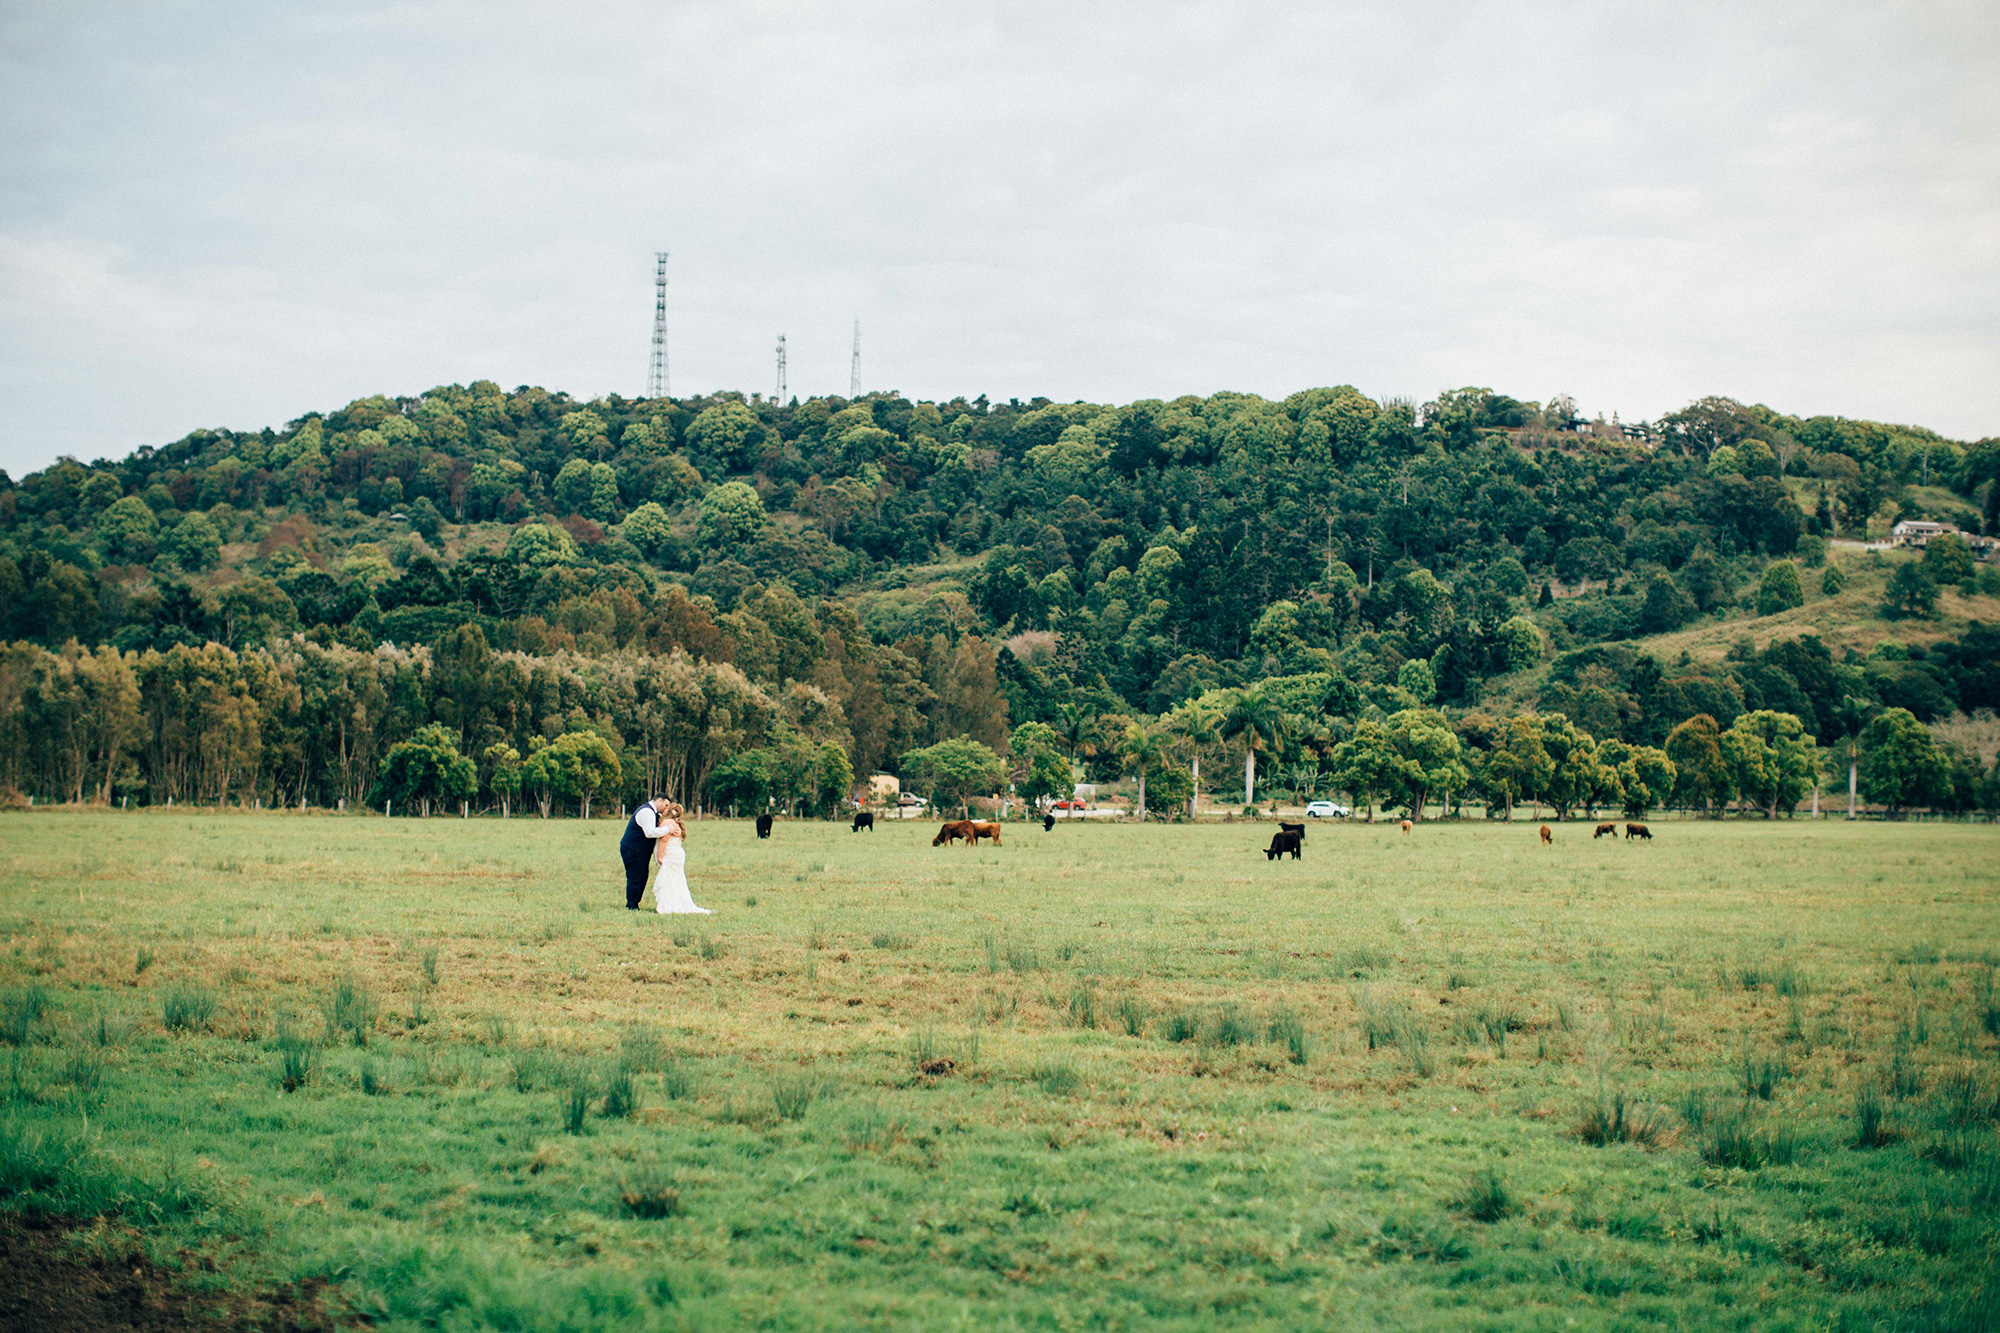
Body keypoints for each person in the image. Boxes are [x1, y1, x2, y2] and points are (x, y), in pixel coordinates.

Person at [651, 801, 711, 915]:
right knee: (676, 879)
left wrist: (659, 857)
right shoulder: (676, 823)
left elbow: (664, 840)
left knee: (669, 879)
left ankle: (669, 905)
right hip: (677, 853)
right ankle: (677, 902)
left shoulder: (668, 822)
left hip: (670, 854)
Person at [619, 797, 672, 910]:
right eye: (666, 805)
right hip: (633, 849)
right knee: (636, 876)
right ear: (659, 801)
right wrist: (668, 829)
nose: (667, 808)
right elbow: (649, 832)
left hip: (640, 851)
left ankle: (634, 902)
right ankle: (631, 905)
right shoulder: (646, 812)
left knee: (642, 876)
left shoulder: (651, 812)